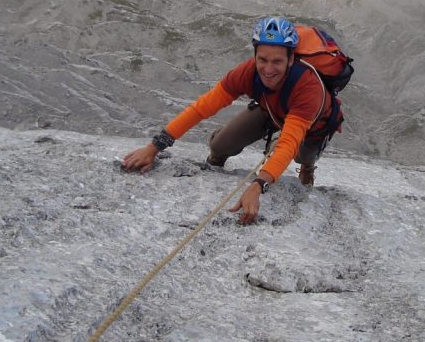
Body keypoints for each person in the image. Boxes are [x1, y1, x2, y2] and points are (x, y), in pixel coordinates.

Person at [121, 16, 343, 225]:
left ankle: (308, 167)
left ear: (291, 59)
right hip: (271, 110)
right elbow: (202, 107)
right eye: (262, 60)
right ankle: (217, 159)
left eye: (277, 61)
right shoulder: (247, 72)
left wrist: (258, 185)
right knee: (219, 145)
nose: (268, 69)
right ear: (254, 56)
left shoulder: (308, 87)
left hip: (313, 126)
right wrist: (154, 147)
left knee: (300, 154)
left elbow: (288, 142)